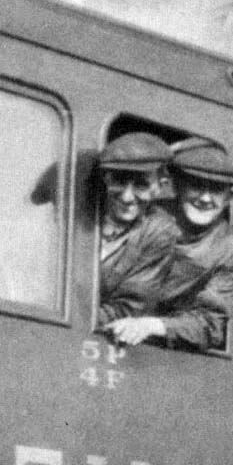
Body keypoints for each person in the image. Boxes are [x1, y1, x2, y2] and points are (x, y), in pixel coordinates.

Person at [105, 138, 233, 351]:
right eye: (197, 186)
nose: (205, 198)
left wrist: (154, 325)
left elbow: (209, 324)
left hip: (161, 346)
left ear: (229, 197)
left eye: (217, 190)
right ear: (177, 186)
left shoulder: (232, 249)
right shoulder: (148, 214)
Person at [97, 132, 179, 327]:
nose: (126, 197)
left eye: (141, 185)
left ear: (160, 187)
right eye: (119, 180)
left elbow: (128, 308)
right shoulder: (84, 206)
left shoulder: (160, 231)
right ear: (106, 178)